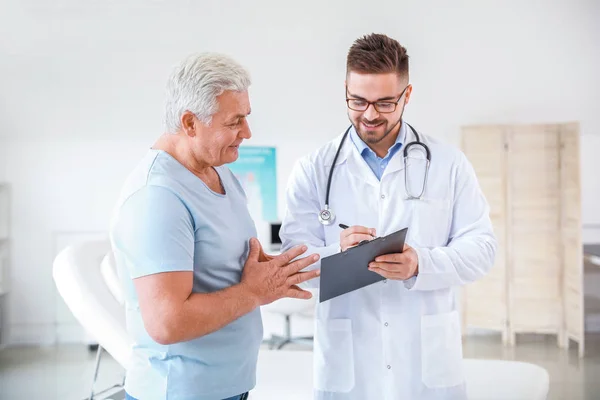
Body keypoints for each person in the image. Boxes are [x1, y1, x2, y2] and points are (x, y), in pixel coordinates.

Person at [279, 33, 497, 399]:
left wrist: (420, 264)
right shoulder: (314, 169)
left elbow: (483, 249)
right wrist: (336, 251)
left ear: (406, 95)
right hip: (347, 367)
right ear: (345, 89)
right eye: (358, 100)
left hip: (425, 363)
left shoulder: (447, 163)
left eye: (384, 102)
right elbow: (293, 264)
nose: (369, 114)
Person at [110, 52, 320, 400]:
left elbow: (223, 261)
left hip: (228, 387)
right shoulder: (157, 197)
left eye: (246, 118)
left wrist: (271, 272)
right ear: (190, 123)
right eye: (234, 121)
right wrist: (255, 291)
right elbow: (167, 322)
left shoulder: (218, 170)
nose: (247, 132)